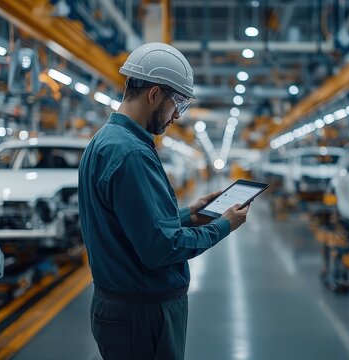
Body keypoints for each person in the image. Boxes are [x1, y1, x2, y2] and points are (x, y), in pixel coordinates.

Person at [78, 42, 249, 360]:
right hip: (142, 315)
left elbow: (133, 224)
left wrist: (188, 215)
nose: (176, 116)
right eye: (177, 104)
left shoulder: (105, 142)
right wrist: (223, 225)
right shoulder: (132, 153)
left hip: (122, 307)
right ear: (154, 94)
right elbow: (161, 248)